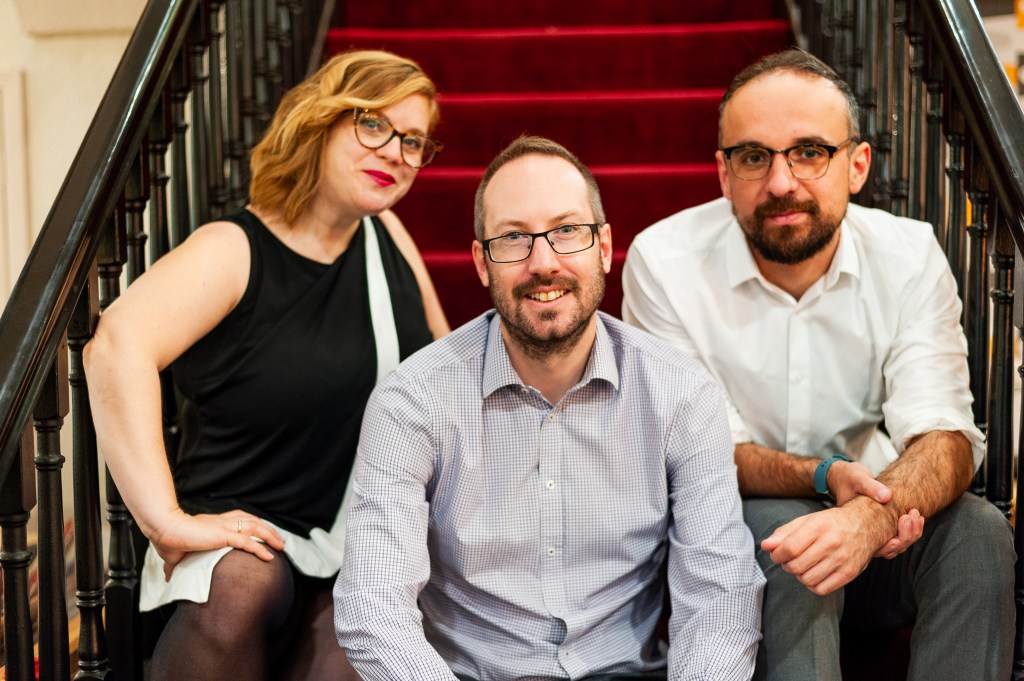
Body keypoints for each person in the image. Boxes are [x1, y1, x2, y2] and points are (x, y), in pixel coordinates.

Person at [621, 49, 1015, 681]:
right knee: (787, 540)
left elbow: (947, 436)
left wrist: (871, 514)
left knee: (977, 531)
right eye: (754, 156)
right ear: (723, 174)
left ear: (856, 165)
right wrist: (826, 478)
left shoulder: (908, 255)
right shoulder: (664, 263)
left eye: (809, 151)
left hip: (882, 530)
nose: (781, 184)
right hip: (747, 529)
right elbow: (701, 451)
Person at [334, 135, 765, 680]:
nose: (544, 263)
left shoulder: (681, 393)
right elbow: (374, 605)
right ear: (481, 263)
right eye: (513, 238)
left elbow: (719, 600)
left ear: (605, 247)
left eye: (567, 232)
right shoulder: (412, 401)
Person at [84, 49, 449, 680]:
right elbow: (115, 346)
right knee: (237, 589)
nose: (395, 151)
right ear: (320, 121)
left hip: (355, 541)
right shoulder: (233, 250)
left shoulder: (386, 235)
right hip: (243, 532)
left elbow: (444, 372)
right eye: (373, 124)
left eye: (413, 140)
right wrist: (166, 522)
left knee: (363, 655)